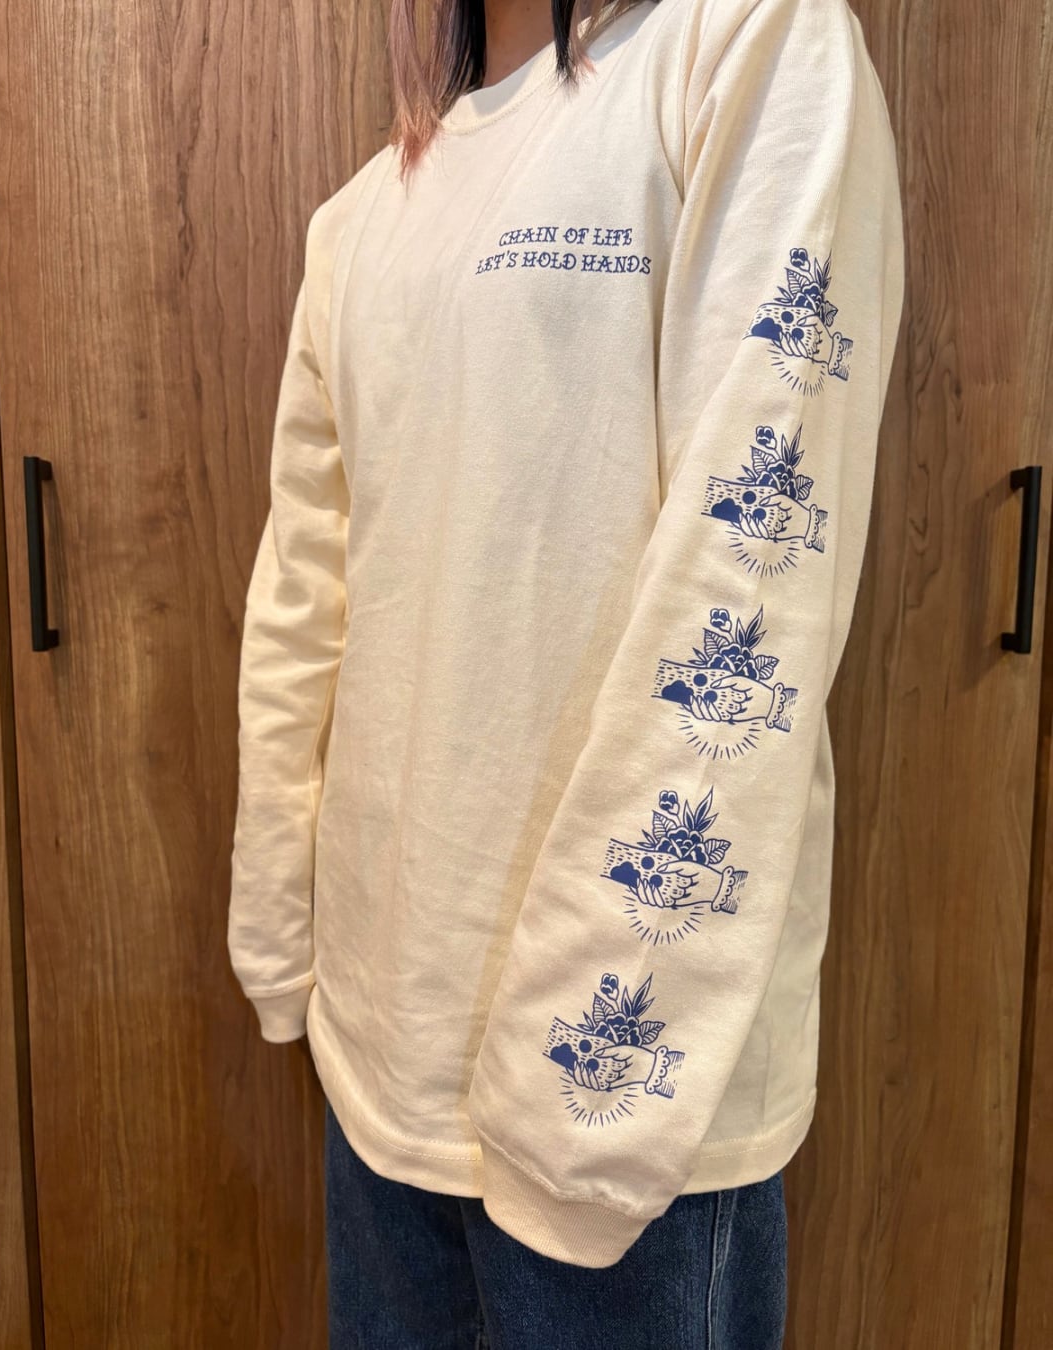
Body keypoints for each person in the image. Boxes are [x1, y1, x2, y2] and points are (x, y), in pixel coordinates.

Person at [227, 0, 905, 1345]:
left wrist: (589, 1083)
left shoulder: (746, 45)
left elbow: (750, 578)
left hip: (633, 1128)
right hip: (380, 1062)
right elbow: (309, 597)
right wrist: (282, 938)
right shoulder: (362, 216)